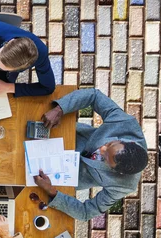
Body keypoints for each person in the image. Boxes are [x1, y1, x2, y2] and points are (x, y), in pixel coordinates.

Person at [35, 88, 148, 221]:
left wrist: (52, 191)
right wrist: (59, 109)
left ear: (118, 172)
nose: (102, 149)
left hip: (56, 177)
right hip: (65, 136)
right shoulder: (127, 125)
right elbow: (94, 96)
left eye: (105, 158)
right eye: (110, 144)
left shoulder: (125, 185)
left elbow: (86, 212)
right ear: (125, 140)